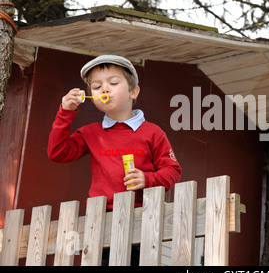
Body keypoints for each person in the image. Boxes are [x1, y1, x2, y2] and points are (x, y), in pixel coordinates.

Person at [48, 54, 182, 210]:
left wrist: (148, 179)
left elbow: (172, 170)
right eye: (97, 87)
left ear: (133, 92)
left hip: (144, 214)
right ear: (92, 99)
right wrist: (65, 112)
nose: (104, 89)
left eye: (113, 83)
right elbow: (57, 153)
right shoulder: (90, 133)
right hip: (100, 214)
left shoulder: (153, 132)